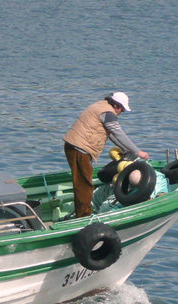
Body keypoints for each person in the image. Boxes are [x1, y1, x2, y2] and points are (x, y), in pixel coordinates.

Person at [63, 91, 149, 219]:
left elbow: (111, 134)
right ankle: (83, 217)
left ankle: (81, 212)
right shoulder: (108, 113)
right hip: (79, 149)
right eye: (122, 109)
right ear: (117, 106)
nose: (122, 112)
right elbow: (118, 132)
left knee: (82, 182)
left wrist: (125, 149)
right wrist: (137, 151)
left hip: (76, 147)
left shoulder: (101, 106)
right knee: (84, 184)